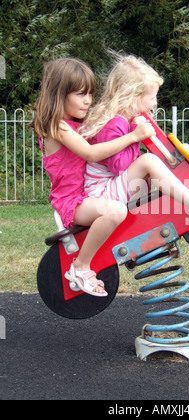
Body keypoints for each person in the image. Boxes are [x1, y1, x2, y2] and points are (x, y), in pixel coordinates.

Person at [32, 57, 156, 297]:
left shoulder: (78, 124)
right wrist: (133, 137)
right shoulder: (57, 126)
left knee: (139, 190)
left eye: (90, 93)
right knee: (116, 210)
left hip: (90, 192)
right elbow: (90, 153)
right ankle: (80, 267)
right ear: (59, 94)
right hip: (73, 202)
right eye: (80, 94)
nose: (88, 100)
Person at [81, 53, 189, 224]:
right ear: (133, 97)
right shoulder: (114, 123)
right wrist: (135, 137)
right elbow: (119, 167)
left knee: (152, 163)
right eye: (152, 97)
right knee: (148, 161)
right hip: (101, 194)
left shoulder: (123, 122)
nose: (155, 103)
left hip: (111, 188)